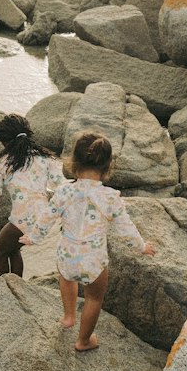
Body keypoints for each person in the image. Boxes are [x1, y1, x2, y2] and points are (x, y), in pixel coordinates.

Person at [39, 130, 155, 352]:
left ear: (73, 162)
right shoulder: (110, 197)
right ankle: (83, 341)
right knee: (94, 298)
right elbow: (125, 228)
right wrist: (141, 246)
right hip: (94, 259)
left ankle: (68, 317)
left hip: (67, 254)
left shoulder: (63, 191)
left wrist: (33, 236)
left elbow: (47, 216)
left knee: (66, 278)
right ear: (107, 166)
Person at [0, 113, 66, 276]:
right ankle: (16, 285)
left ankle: (4, 290)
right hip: (44, 215)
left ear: (4, 141)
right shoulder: (44, 156)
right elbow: (61, 186)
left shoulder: (2, 163)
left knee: (1, 250)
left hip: (23, 218)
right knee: (12, 249)